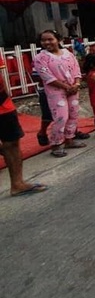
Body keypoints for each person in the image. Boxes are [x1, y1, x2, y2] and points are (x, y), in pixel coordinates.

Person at [0, 58, 48, 196]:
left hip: (3, 104)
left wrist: (7, 97)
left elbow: (2, 79)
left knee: (12, 143)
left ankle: (17, 184)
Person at [32, 30, 84, 158]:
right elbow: (46, 76)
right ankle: (56, 143)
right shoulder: (40, 58)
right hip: (56, 91)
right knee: (61, 117)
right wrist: (66, 87)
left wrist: (77, 84)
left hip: (73, 88)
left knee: (73, 114)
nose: (47, 42)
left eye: (50, 39)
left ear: (58, 39)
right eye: (43, 40)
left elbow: (76, 69)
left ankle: (69, 139)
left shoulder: (68, 54)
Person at [32, 70, 90, 146]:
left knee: (71, 112)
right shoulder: (42, 59)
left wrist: (75, 83)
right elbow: (37, 76)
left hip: (68, 88)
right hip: (50, 91)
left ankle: (72, 133)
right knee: (49, 115)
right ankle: (43, 133)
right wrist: (57, 81)